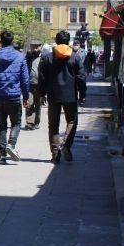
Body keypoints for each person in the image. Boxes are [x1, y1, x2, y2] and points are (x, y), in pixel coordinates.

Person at [39, 30, 87, 164]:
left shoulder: (48, 57)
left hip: (53, 95)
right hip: (70, 95)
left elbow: (42, 77)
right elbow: (81, 77)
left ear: (56, 41)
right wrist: (82, 94)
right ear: (68, 41)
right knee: (72, 121)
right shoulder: (75, 57)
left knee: (53, 125)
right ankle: (66, 144)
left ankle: (55, 154)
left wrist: (42, 94)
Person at [0, 31, 30, 164]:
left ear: (0, 41)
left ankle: (2, 155)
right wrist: (26, 96)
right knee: (16, 123)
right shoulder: (20, 56)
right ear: (12, 41)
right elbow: (25, 79)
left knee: (2, 126)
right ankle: (11, 144)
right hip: (14, 96)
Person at [24, 40, 44, 130]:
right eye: (33, 46)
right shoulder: (28, 57)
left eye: (37, 46)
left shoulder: (44, 57)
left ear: (41, 47)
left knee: (38, 104)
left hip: (40, 84)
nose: (35, 48)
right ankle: (30, 122)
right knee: (29, 103)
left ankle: (36, 122)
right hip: (29, 84)